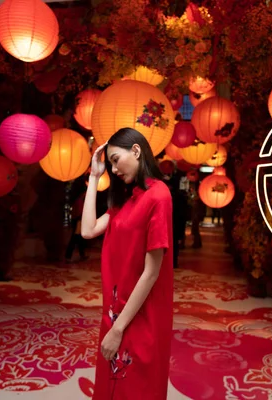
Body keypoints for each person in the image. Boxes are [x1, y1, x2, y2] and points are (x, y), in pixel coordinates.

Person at [81, 128, 173, 400]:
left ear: (136, 151)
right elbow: (87, 230)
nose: (114, 168)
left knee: (136, 389)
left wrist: (119, 328)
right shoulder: (127, 199)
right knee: (111, 386)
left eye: (115, 160)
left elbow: (151, 272)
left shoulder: (159, 196)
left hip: (141, 315)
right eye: (110, 163)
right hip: (116, 311)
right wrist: (95, 175)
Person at [65, 189, 89, 263]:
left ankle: (81, 255)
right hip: (78, 222)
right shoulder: (79, 201)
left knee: (79, 239)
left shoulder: (78, 201)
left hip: (78, 221)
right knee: (75, 239)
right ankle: (68, 256)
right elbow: (78, 213)